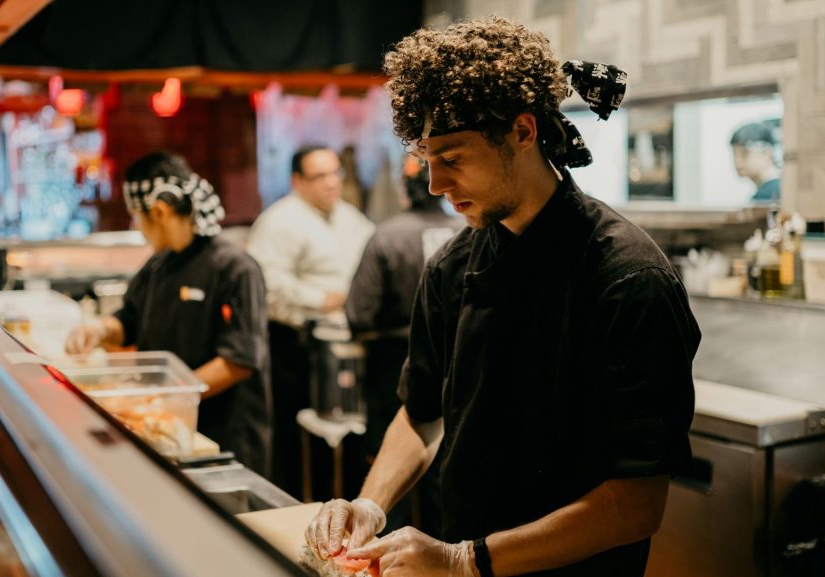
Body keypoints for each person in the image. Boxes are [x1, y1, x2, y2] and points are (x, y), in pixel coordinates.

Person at [304, 17, 700, 577]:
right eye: (426, 159)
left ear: (522, 131)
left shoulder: (626, 279)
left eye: (453, 158)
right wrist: (371, 505)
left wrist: (465, 559)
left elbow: (635, 504)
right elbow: (421, 413)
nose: (436, 186)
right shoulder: (452, 265)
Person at [65, 152, 271, 475]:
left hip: (224, 443)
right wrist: (100, 329)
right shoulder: (158, 264)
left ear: (158, 212)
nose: (137, 226)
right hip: (168, 432)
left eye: (136, 216)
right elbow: (128, 321)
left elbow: (239, 362)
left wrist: (164, 397)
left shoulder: (235, 268)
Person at [246, 144, 375, 496]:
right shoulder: (279, 221)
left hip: (345, 342)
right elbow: (264, 283)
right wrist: (321, 299)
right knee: (297, 440)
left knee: (349, 436)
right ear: (297, 180)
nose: (331, 182)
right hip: (294, 344)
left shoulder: (350, 217)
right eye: (320, 176)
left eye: (336, 173)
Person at [344, 156, 461, 536]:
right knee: (446, 478)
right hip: (459, 365)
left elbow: (359, 312)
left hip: (395, 363)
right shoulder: (467, 231)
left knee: (388, 475)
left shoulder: (388, 235)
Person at [730, 119, 782, 204]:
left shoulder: (769, 195)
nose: (737, 162)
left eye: (744, 154)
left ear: (767, 154)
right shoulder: (779, 190)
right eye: (735, 155)